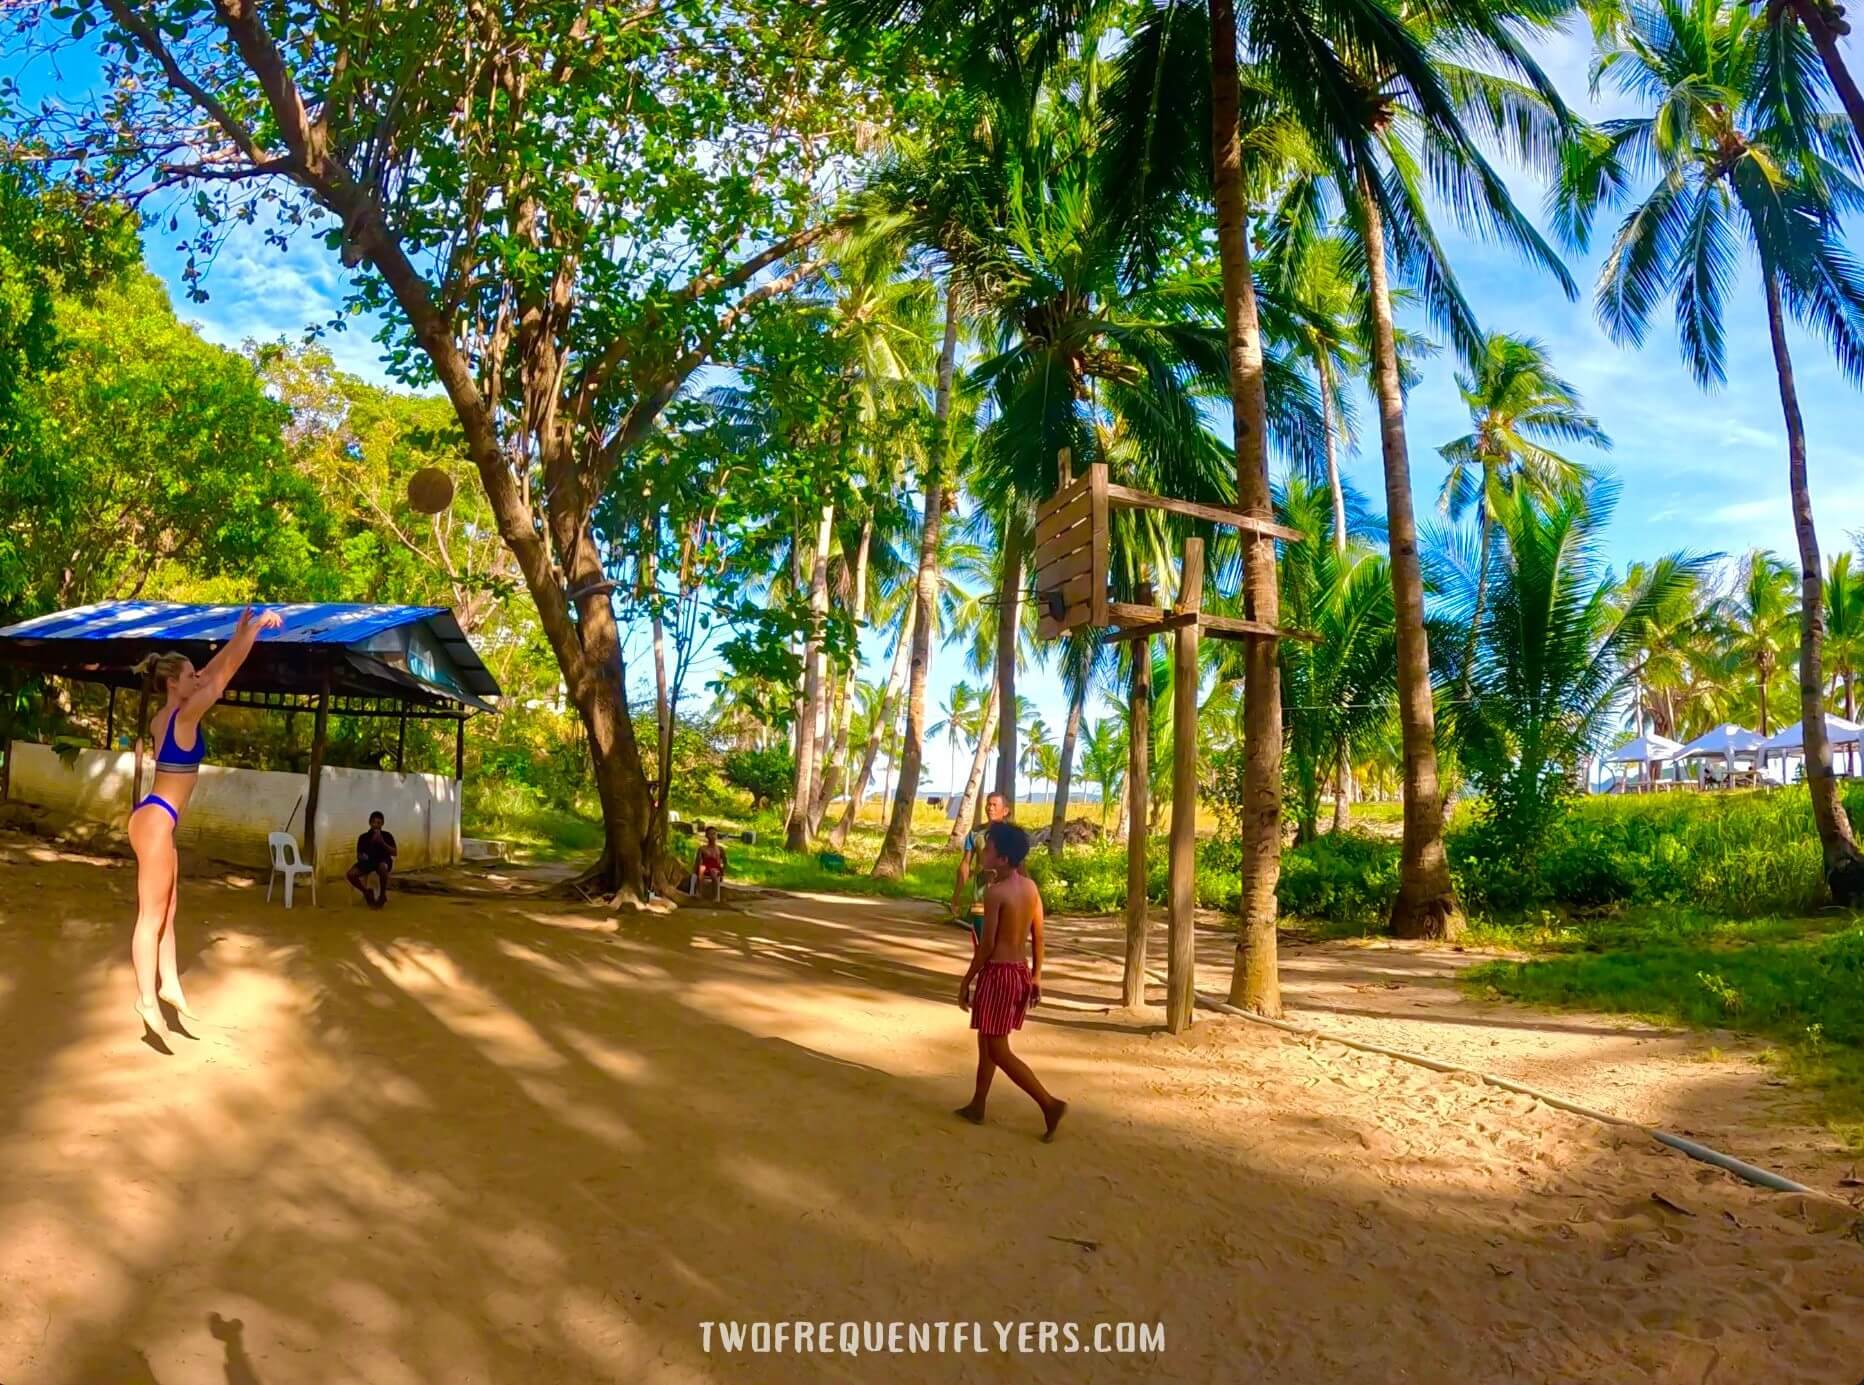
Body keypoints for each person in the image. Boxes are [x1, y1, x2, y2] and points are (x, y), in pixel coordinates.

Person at [127, 606, 283, 1042]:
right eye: (191, 676)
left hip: (153, 816)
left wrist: (237, 637)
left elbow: (214, 669)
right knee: (150, 916)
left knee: (168, 912)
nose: (199, 679)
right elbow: (222, 676)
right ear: (174, 684)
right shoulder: (187, 716)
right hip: (157, 820)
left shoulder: (165, 717)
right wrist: (252, 632)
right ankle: (145, 997)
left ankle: (170, 982)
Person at [955, 821, 1067, 1141]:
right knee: (987, 1041)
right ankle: (978, 1104)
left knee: (998, 1049)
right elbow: (1040, 936)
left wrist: (967, 980)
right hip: (1018, 972)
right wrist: (1036, 975)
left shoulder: (996, 893)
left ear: (1002, 859)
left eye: (988, 850)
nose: (984, 854)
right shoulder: (1030, 888)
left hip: (999, 975)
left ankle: (1049, 1104)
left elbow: (987, 946)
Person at [948, 791, 1010, 946]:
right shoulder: (975, 833)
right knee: (982, 943)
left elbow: (1020, 866)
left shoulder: (1011, 835)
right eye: (988, 804)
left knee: (1002, 944)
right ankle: (984, 970)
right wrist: (956, 896)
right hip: (981, 898)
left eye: (995, 805)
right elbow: (965, 864)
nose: (990, 808)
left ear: (1005, 811)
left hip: (1007, 899)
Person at [347, 811, 398, 909]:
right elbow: (359, 855)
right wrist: (362, 857)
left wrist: (382, 842)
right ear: (370, 823)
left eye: (379, 823)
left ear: (382, 824)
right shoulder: (363, 837)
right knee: (350, 874)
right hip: (369, 862)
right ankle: (367, 892)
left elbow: (394, 853)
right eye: (374, 822)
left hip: (383, 861)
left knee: (383, 867)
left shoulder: (387, 835)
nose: (376, 825)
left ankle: (382, 895)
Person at [688, 826, 728, 900]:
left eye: (714, 834)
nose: (712, 836)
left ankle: (715, 897)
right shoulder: (702, 848)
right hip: (705, 867)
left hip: (716, 868)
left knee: (713, 871)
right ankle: (699, 893)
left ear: (717, 835)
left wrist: (723, 873)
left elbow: (725, 862)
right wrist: (694, 872)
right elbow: (697, 862)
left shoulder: (720, 849)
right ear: (706, 836)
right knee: (701, 869)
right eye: (710, 834)